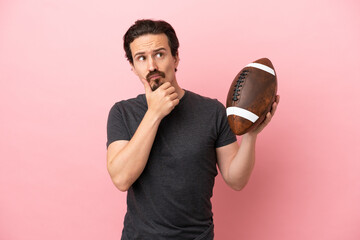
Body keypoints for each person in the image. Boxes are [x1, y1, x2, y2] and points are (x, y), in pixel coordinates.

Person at [106, 19, 279, 240]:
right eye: (142, 58)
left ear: (175, 57)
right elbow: (121, 179)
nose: (152, 66)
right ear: (132, 66)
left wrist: (252, 134)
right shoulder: (122, 113)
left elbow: (236, 180)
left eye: (160, 54)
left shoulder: (213, 111)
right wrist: (154, 113)